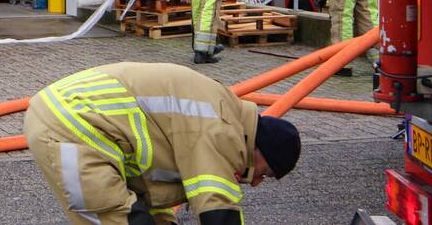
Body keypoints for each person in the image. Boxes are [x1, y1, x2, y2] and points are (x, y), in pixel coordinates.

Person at [25, 62, 301, 224]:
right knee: (113, 216)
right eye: (266, 173)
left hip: (72, 119)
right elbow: (218, 207)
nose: (255, 183)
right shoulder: (224, 129)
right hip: (74, 124)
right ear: (261, 148)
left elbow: (152, 191)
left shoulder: (220, 112)